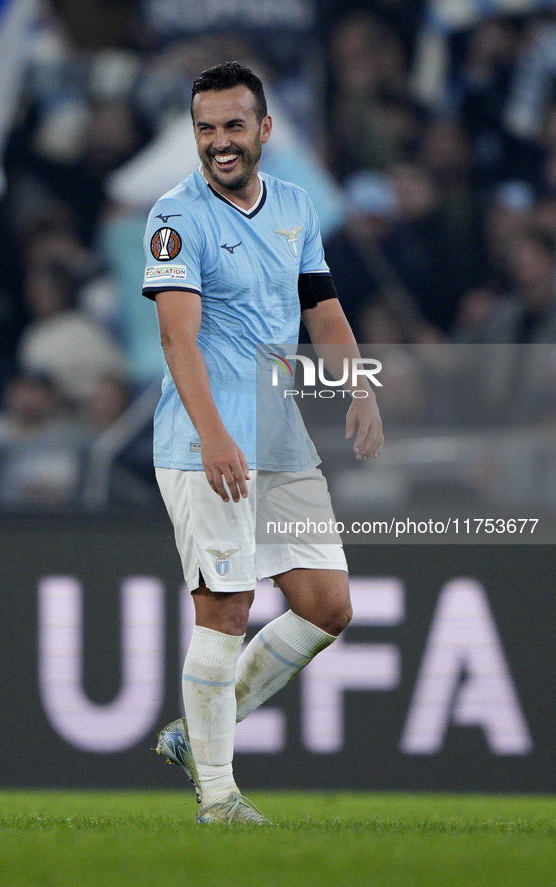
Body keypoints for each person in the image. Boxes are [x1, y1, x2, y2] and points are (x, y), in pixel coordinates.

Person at [142, 62, 383, 824]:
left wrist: (358, 384)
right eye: (205, 128)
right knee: (226, 604)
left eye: (232, 126)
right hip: (203, 439)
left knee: (326, 605)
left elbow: (323, 309)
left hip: (279, 437)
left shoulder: (295, 206)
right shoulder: (175, 216)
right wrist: (214, 435)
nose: (218, 142)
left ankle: (196, 734)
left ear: (264, 130)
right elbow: (178, 339)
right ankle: (219, 800)